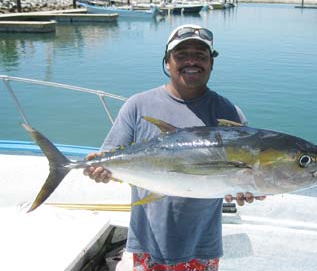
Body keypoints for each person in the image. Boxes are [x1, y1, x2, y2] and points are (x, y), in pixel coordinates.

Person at [84, 24, 266, 270]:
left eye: (201, 56)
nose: (192, 61)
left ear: (211, 63)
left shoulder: (229, 113)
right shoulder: (138, 105)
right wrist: (100, 170)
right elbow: (111, 156)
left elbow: (235, 176)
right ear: (167, 63)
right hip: (148, 241)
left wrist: (245, 187)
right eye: (181, 55)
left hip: (202, 244)